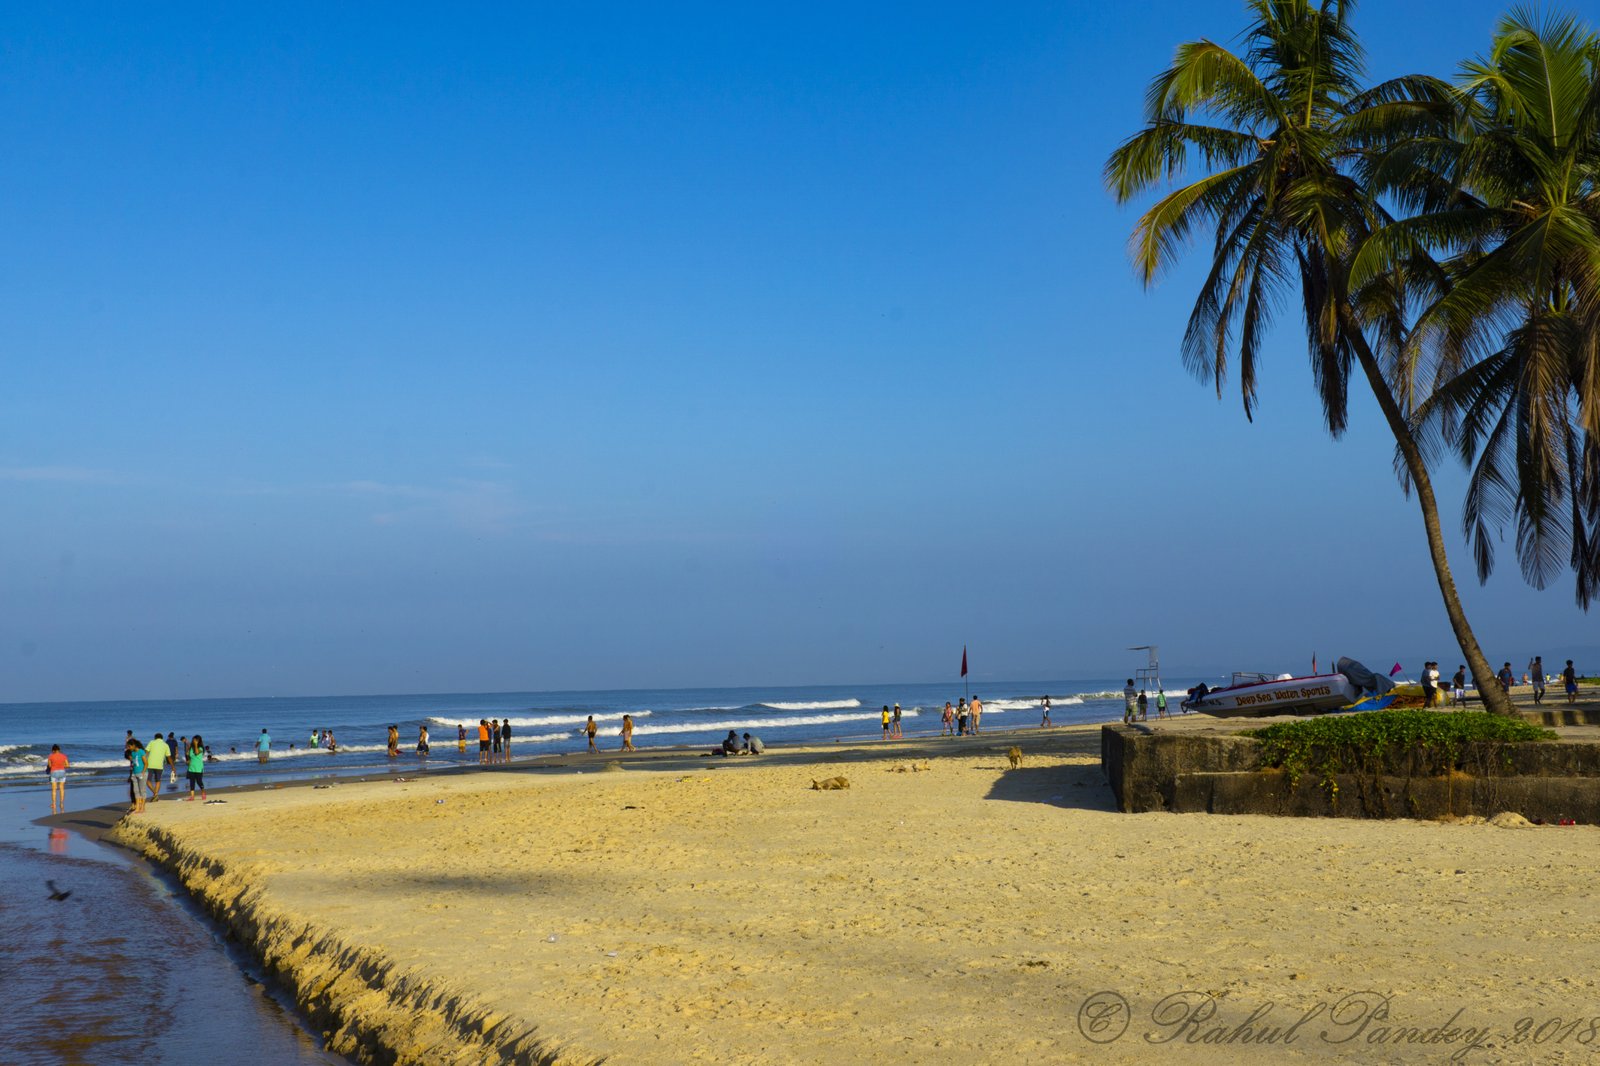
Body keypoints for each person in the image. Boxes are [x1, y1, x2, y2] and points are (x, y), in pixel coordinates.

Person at [144, 731, 172, 803]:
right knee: (158, 781)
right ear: (162, 738)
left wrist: (143, 762)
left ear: (155, 738)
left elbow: (146, 752)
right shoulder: (165, 745)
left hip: (150, 765)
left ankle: (155, 795)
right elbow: (169, 757)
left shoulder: (151, 742)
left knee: (148, 781)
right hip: (159, 766)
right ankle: (155, 795)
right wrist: (173, 766)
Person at [46, 744, 68, 814]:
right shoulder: (63, 756)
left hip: (54, 772)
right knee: (61, 788)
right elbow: (67, 765)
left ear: (53, 750)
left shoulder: (50, 756)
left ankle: (54, 804)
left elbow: (49, 766)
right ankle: (61, 803)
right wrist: (61, 765)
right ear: (59, 749)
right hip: (62, 772)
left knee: (54, 789)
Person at [127, 739, 147, 814]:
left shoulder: (141, 751)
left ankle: (143, 808)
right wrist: (131, 774)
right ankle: (137, 808)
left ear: (133, 745)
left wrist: (143, 772)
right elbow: (133, 764)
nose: (129, 748)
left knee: (142, 791)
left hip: (141, 773)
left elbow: (146, 763)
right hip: (134, 774)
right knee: (136, 791)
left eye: (129, 746)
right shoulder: (132, 753)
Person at [186, 735, 207, 801]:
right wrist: (188, 760)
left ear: (198, 741)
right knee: (191, 782)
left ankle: (203, 792)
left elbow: (197, 752)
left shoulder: (201, 748)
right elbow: (189, 756)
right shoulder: (191, 748)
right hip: (191, 767)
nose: (193, 741)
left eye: (195, 740)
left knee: (199, 781)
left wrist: (195, 745)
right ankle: (192, 796)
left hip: (198, 767)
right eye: (193, 740)